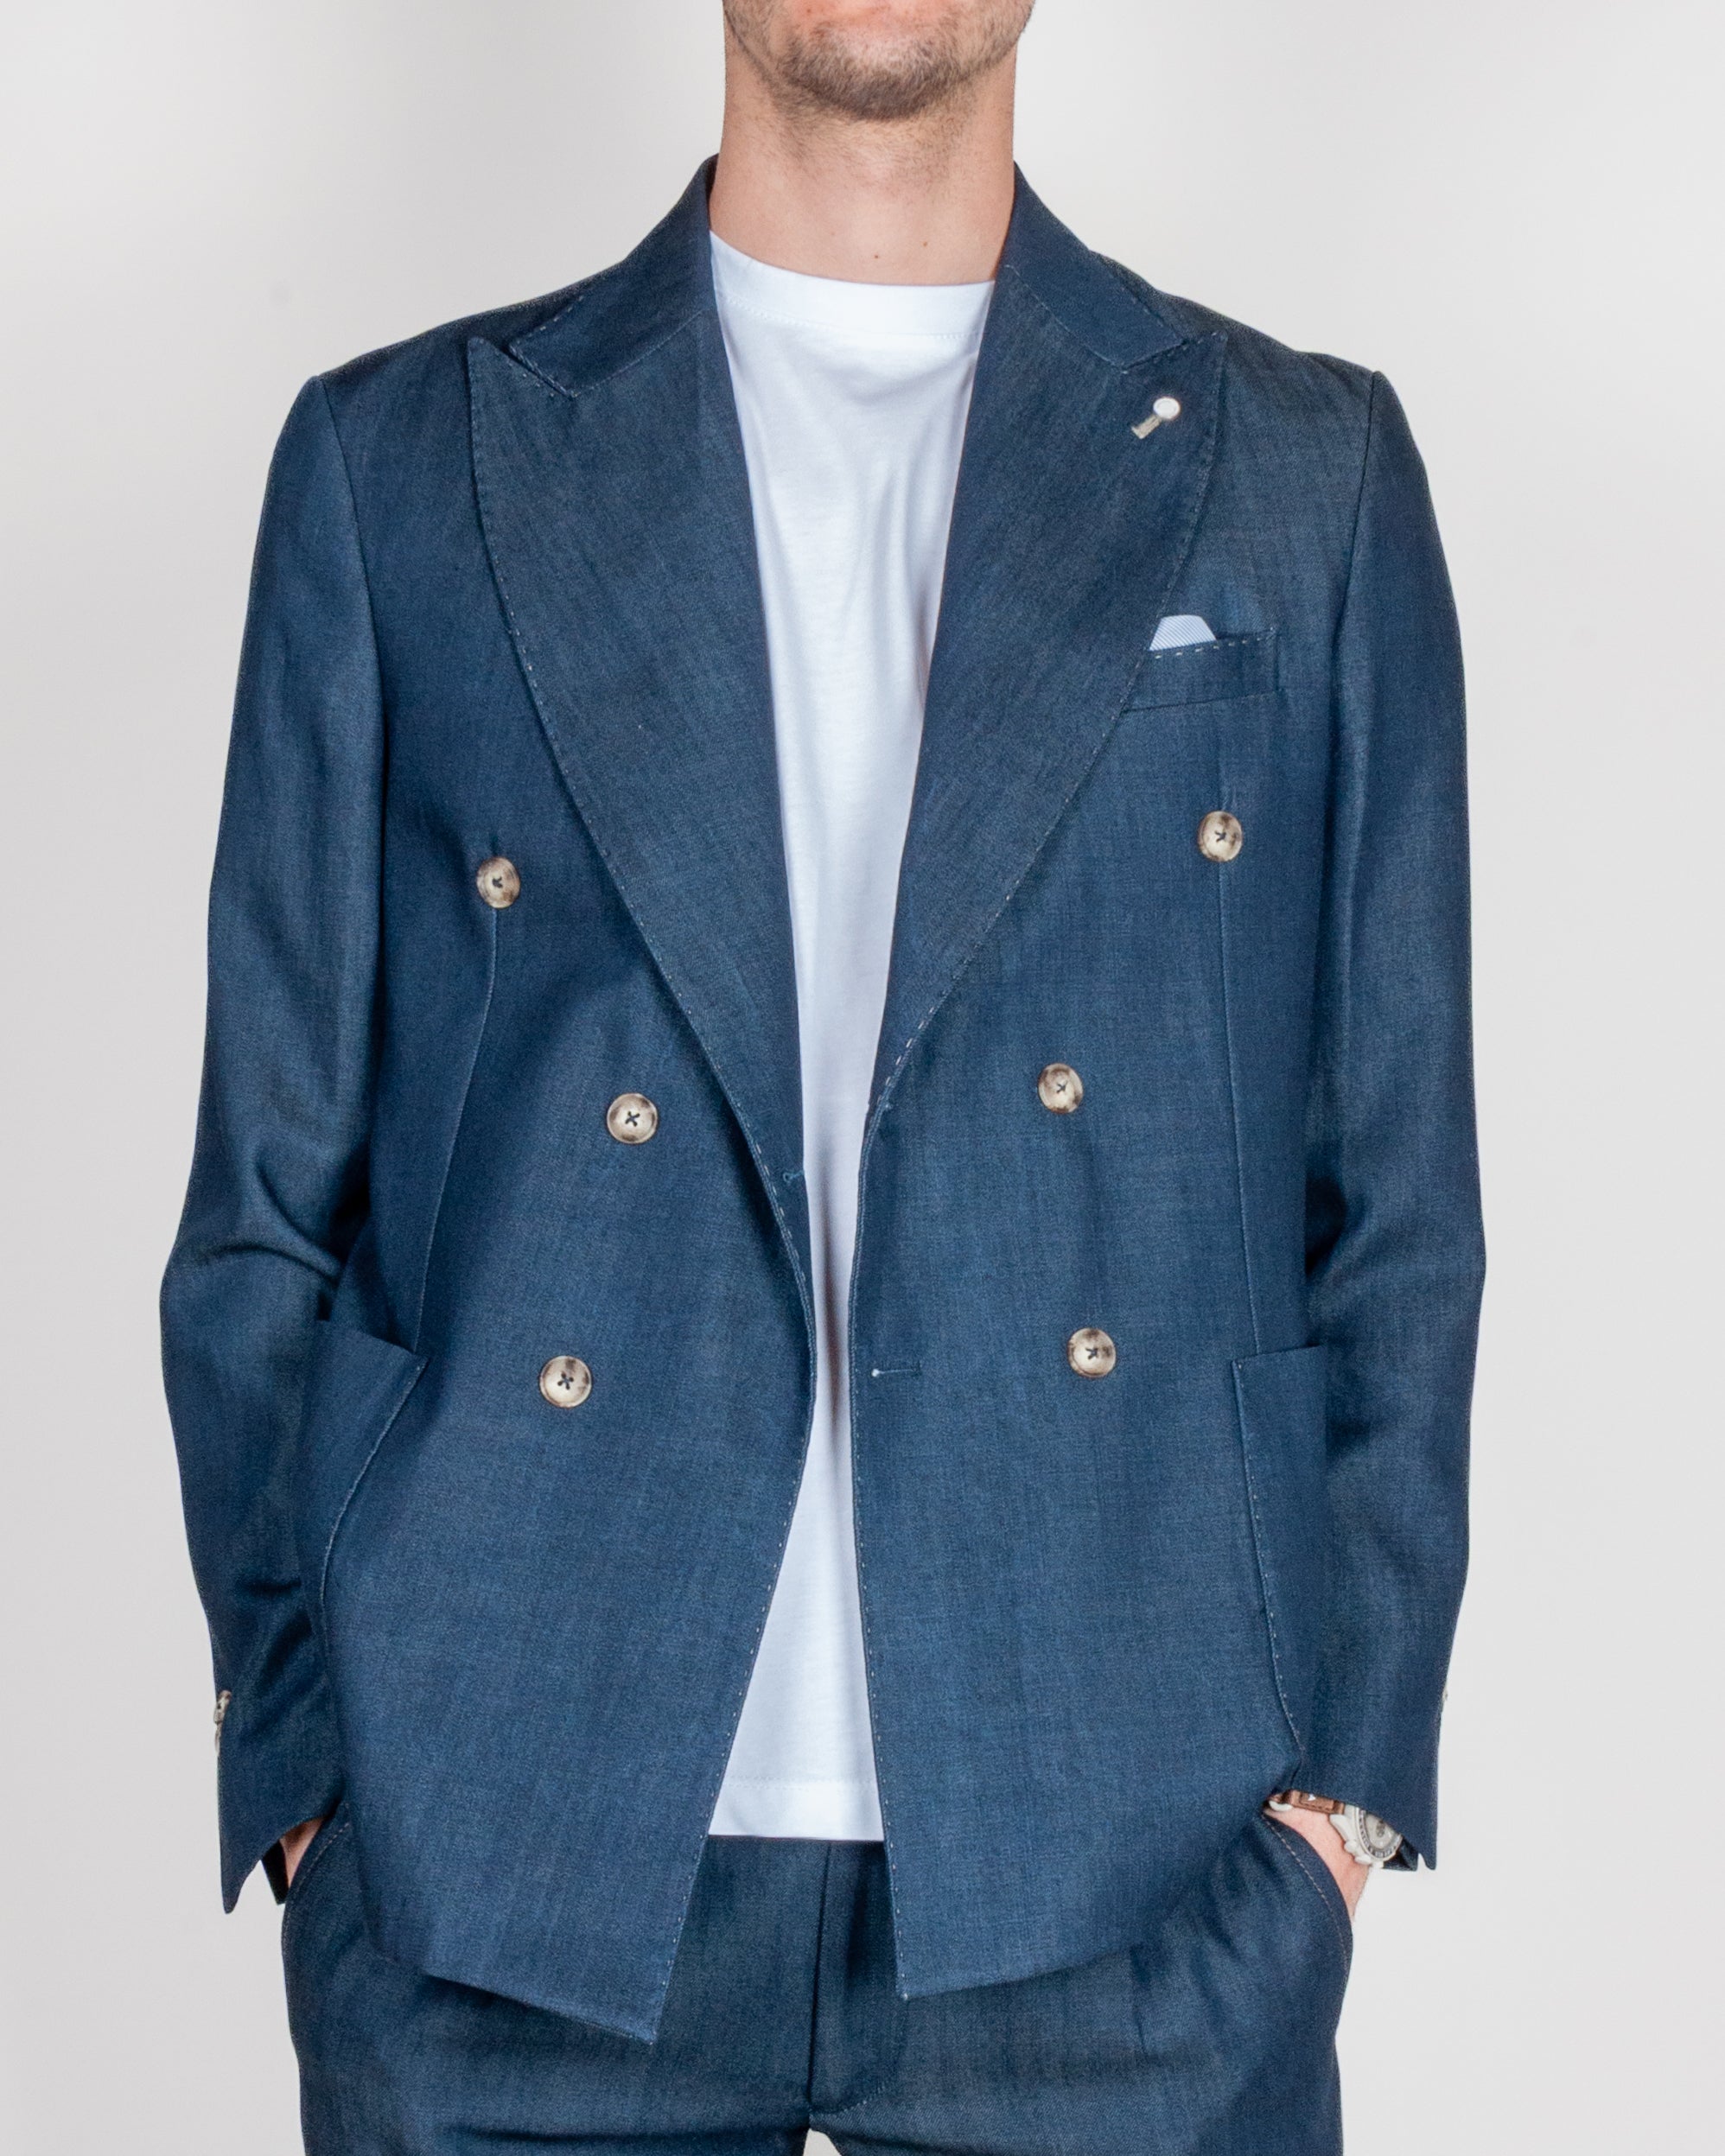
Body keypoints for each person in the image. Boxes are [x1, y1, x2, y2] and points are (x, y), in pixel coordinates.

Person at [162, 3, 1484, 2149]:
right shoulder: (400, 462)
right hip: (499, 1851)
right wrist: (311, 1780)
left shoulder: (1301, 470)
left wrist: (1341, 1799)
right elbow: (262, 1200)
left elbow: (1396, 1201)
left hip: (1134, 1853)